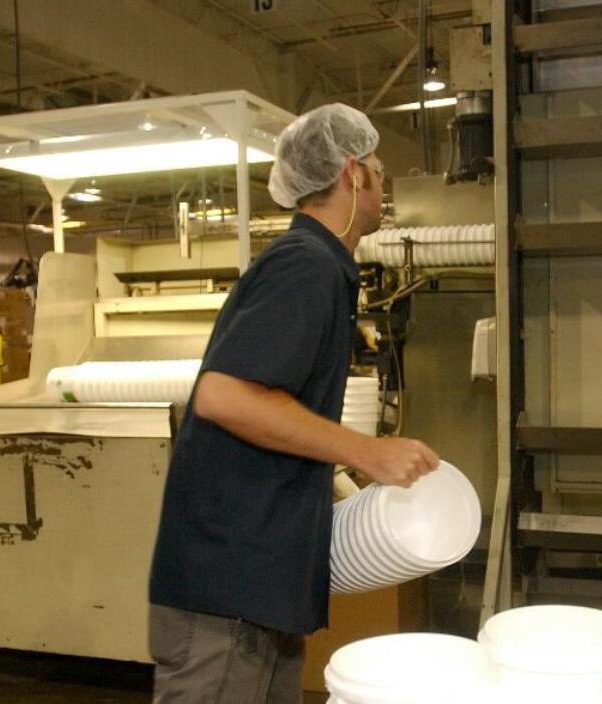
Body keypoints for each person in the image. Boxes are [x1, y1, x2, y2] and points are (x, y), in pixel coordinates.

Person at [148, 103, 440, 703]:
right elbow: (224, 395)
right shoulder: (306, 267)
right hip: (228, 587)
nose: (383, 190)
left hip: (260, 582)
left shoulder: (323, 266)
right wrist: (368, 450)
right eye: (380, 174)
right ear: (352, 174)